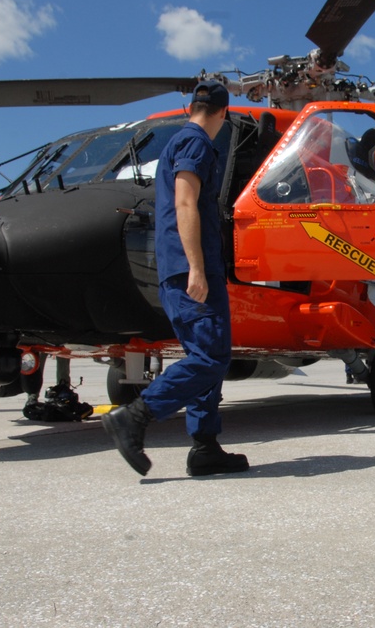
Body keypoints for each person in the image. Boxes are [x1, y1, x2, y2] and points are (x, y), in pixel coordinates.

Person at [103, 80, 249, 476]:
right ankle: (135, 415)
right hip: (190, 269)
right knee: (211, 358)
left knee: (206, 355)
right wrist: (198, 268)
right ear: (223, 113)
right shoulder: (198, 143)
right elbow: (186, 202)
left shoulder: (178, 142)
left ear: (192, 107)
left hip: (178, 267)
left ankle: (205, 447)